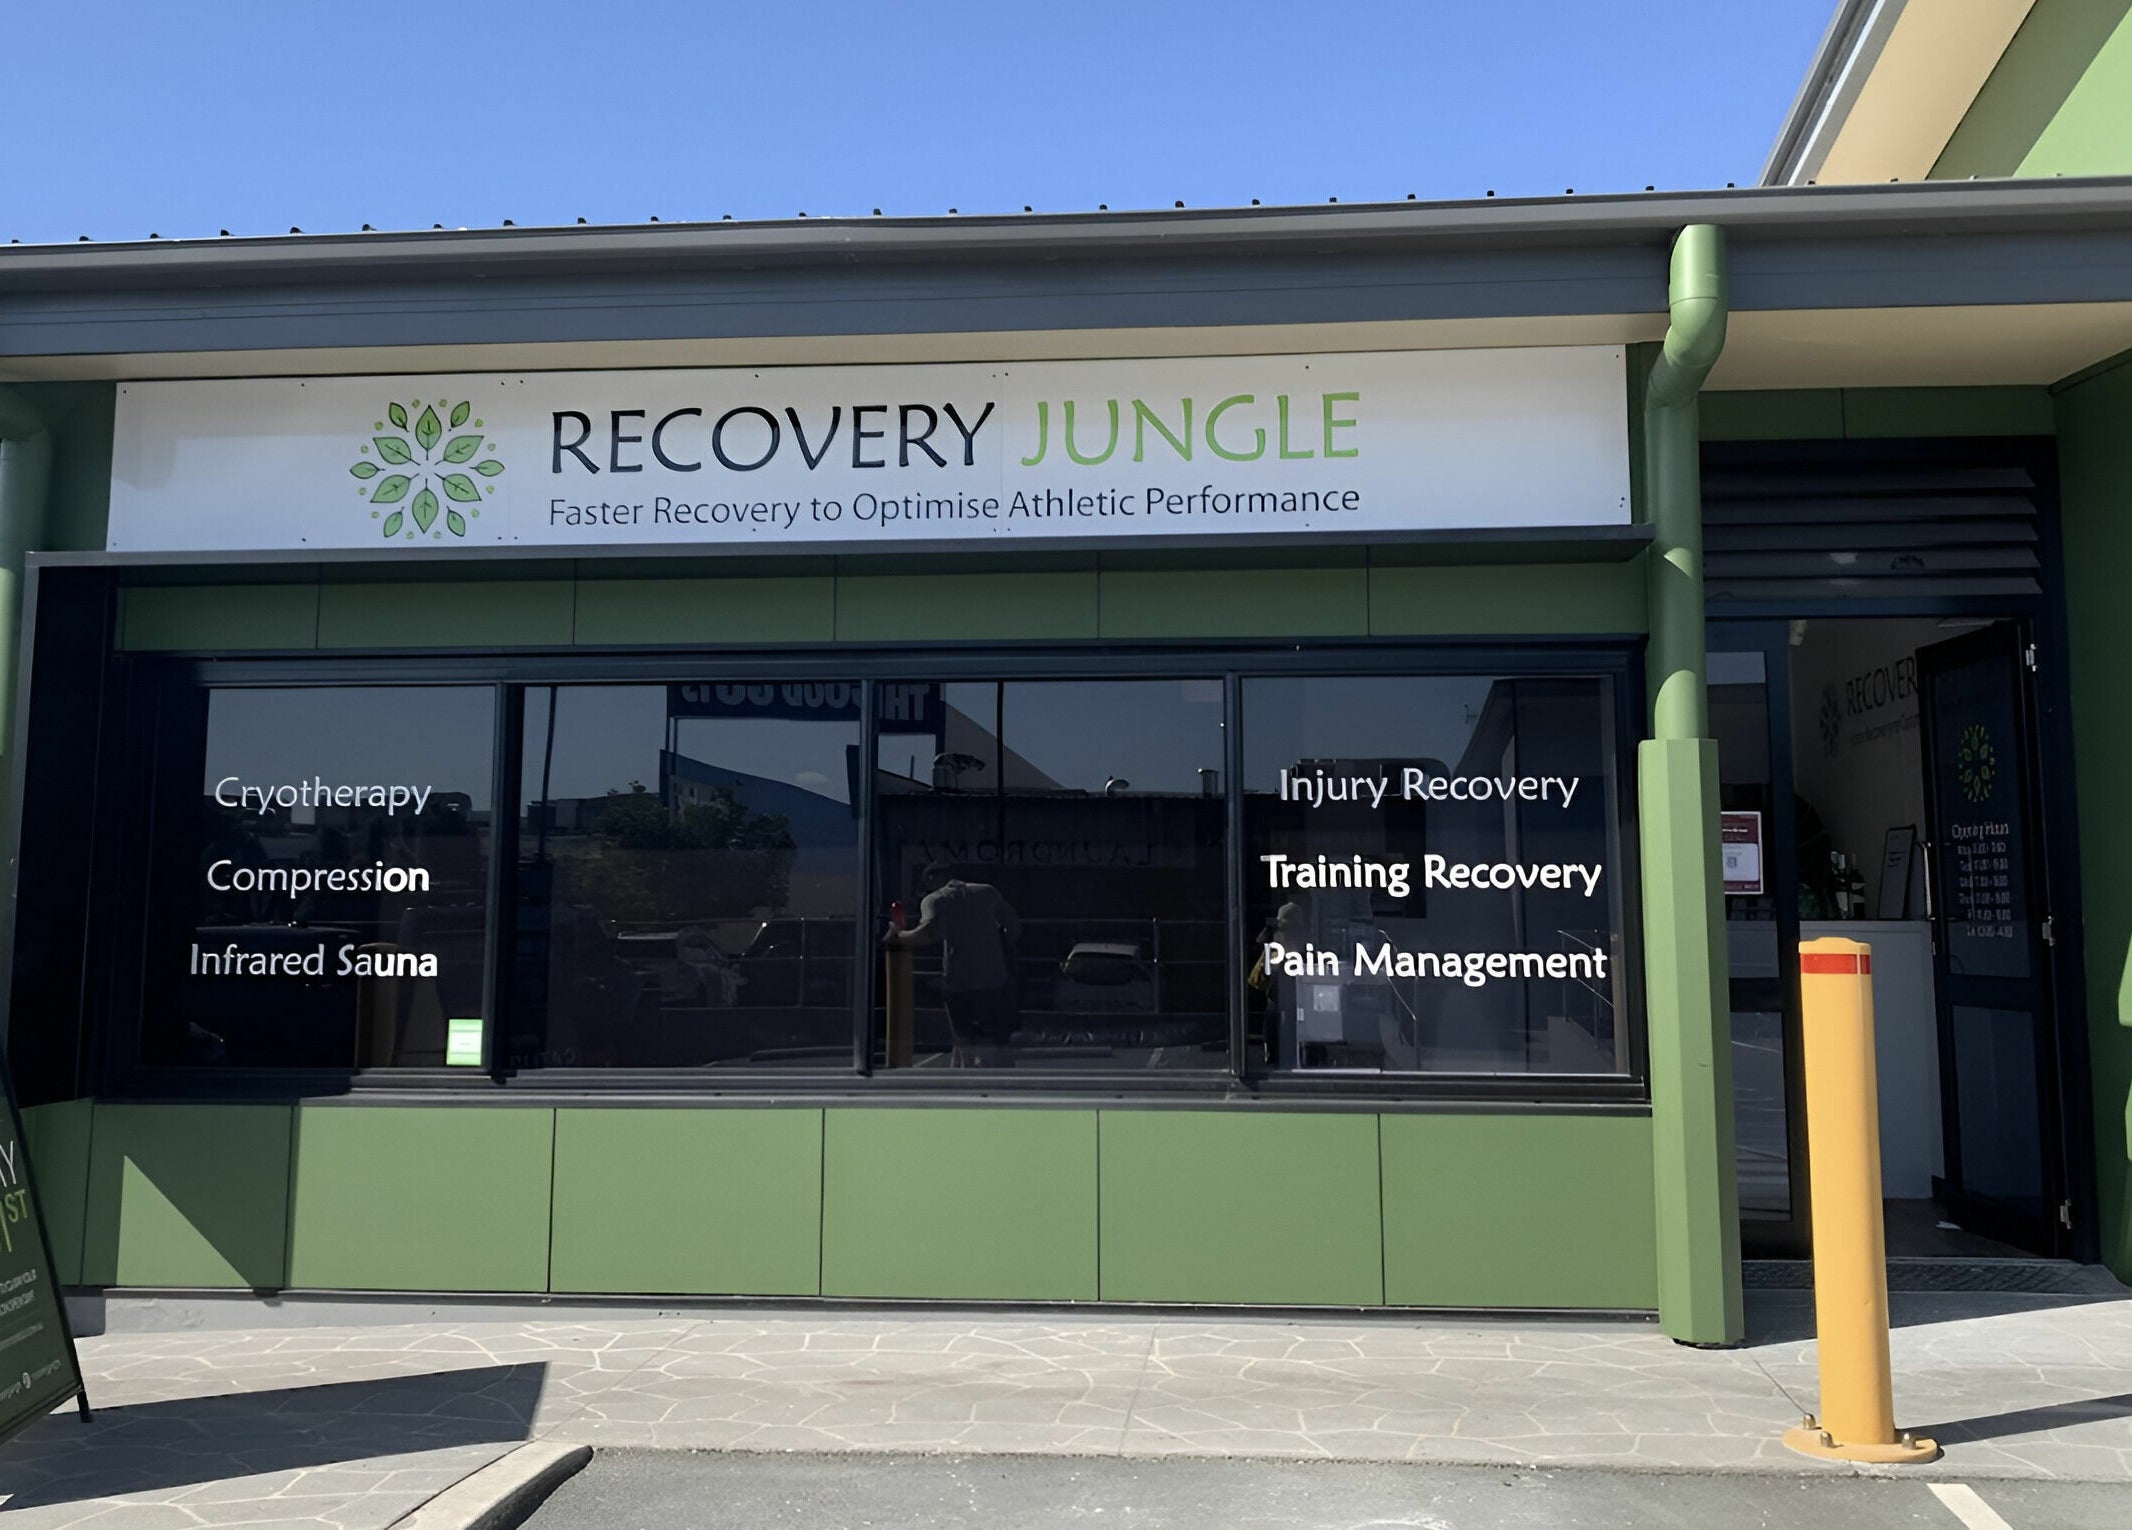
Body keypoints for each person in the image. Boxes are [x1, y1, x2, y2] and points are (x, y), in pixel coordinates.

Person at [883, 863, 1021, 1065]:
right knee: (995, 1037)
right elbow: (1013, 926)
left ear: (932, 878)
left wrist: (898, 935)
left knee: (962, 1037)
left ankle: (965, 1073)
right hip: (994, 977)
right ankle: (998, 1072)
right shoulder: (987, 891)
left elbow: (927, 933)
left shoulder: (935, 900)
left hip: (959, 980)